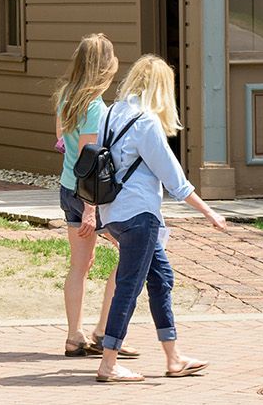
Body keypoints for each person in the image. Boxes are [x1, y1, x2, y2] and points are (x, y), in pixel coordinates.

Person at [91, 54, 230, 384]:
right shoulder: (145, 122)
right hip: (139, 215)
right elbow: (174, 178)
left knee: (161, 278)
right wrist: (209, 211)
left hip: (113, 213)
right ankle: (109, 363)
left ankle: (174, 358)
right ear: (160, 88)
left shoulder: (110, 114)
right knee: (128, 287)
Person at [52, 34, 122, 358]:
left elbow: (61, 140)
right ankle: (104, 330)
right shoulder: (94, 105)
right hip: (88, 196)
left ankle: (74, 336)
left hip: (67, 188)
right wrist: (91, 210)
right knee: (133, 252)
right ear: (104, 66)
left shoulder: (66, 95)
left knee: (79, 266)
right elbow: (88, 159)